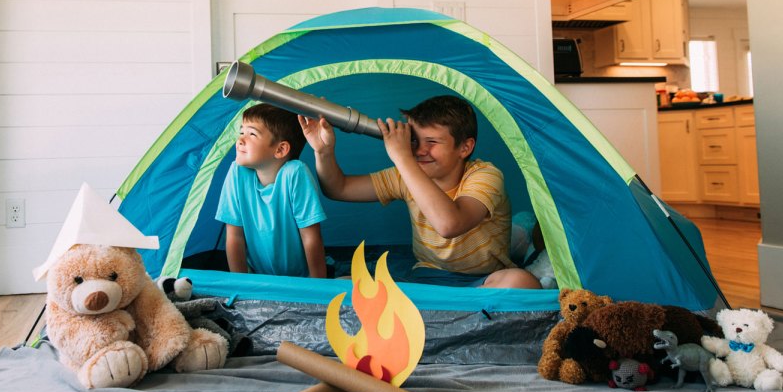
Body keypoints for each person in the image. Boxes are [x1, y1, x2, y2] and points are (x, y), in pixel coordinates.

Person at [299, 95, 541, 289]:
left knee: (521, 282)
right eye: (414, 141)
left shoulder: (485, 175)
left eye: (432, 142)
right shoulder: (407, 173)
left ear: (465, 147)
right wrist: (323, 152)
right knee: (344, 286)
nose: (420, 150)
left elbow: (449, 224)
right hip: (426, 279)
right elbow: (337, 188)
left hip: (481, 281)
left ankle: (450, 311)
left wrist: (403, 158)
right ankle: (449, 312)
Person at [216, 104, 328, 278]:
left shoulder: (294, 173)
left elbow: (311, 237)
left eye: (252, 134)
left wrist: (318, 286)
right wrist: (240, 283)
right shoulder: (237, 172)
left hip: (301, 278)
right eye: (241, 132)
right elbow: (234, 236)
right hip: (258, 275)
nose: (240, 140)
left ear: (280, 149)